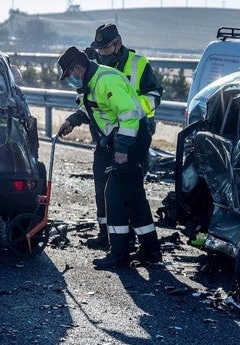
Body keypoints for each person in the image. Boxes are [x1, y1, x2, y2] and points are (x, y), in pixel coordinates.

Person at [56, 46, 162, 269]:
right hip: (124, 139)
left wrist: (122, 149)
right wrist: (73, 121)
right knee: (134, 195)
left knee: (113, 194)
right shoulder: (92, 82)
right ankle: (151, 250)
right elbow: (93, 109)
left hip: (131, 139)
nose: (70, 80)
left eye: (69, 75)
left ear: (77, 68)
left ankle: (119, 254)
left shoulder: (106, 81)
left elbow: (129, 115)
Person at [84, 23, 163, 251]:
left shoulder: (138, 64)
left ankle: (128, 241)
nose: (101, 53)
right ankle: (107, 236)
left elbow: (155, 95)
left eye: (105, 48)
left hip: (134, 135)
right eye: (98, 49)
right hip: (106, 137)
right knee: (103, 187)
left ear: (118, 43)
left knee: (126, 190)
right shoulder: (97, 66)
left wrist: (133, 109)